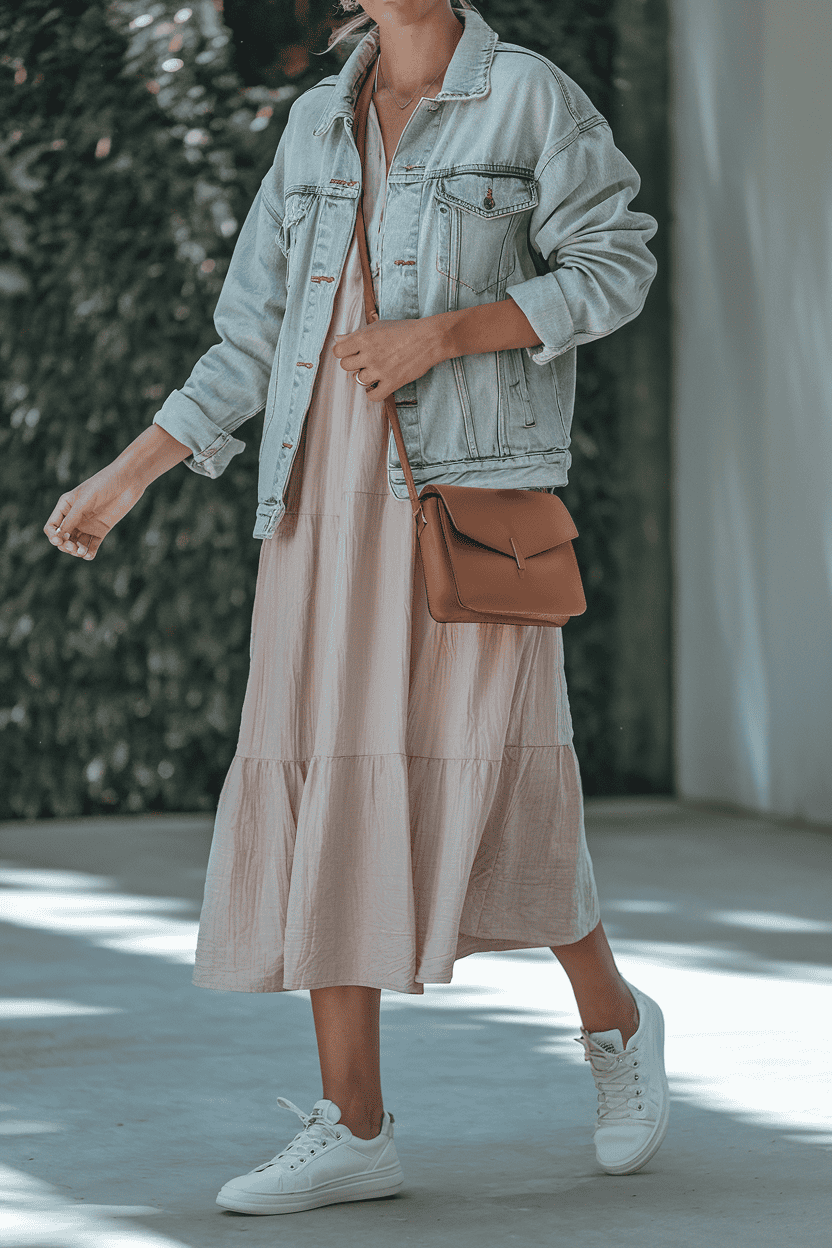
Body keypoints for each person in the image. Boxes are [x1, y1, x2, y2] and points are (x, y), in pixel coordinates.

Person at [43, 0, 669, 1217]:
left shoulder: (529, 95)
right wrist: (128, 472)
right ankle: (357, 1127)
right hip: (319, 508)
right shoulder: (315, 124)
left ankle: (616, 1026)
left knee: (504, 777)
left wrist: (444, 336)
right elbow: (250, 337)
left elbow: (616, 265)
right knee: (330, 777)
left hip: (463, 503)